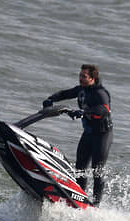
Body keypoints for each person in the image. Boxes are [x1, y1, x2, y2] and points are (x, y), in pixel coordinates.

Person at [42, 64, 113, 205]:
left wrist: (84, 112)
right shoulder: (81, 90)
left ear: (92, 78)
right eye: (80, 75)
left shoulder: (100, 93)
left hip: (103, 135)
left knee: (96, 170)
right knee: (80, 168)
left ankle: (96, 204)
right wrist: (51, 99)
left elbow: (104, 109)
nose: (80, 78)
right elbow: (64, 94)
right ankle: (80, 197)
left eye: (84, 76)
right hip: (88, 134)